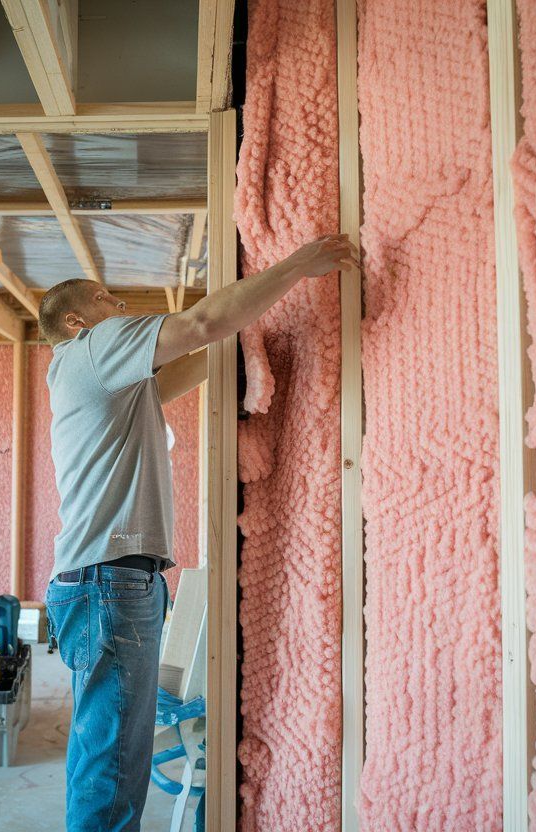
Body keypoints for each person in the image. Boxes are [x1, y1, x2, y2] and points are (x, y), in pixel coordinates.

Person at [39, 233, 359, 831]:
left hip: (104, 582)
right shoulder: (91, 348)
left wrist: (262, 318)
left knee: (110, 757)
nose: (123, 309)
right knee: (109, 765)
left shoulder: (98, 382)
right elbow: (202, 321)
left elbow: (204, 352)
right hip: (109, 582)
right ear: (78, 319)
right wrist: (295, 267)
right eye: (108, 299)